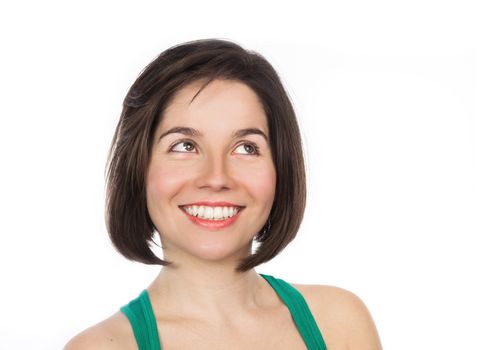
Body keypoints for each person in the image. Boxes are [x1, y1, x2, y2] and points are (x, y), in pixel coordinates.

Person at [64, 38, 382, 350]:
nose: (216, 178)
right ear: (139, 168)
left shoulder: (339, 325)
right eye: (184, 146)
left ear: (280, 169)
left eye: (246, 148)